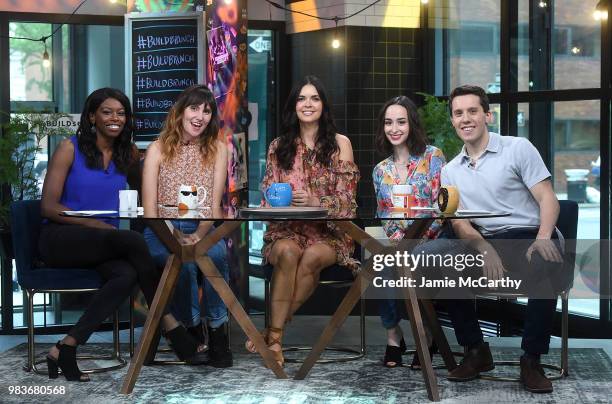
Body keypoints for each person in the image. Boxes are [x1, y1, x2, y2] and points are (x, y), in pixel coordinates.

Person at [39, 88, 207, 382]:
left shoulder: (127, 154)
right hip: (61, 238)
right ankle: (169, 323)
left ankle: (66, 346)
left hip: (105, 245)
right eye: (107, 111)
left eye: (121, 113)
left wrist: (177, 229)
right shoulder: (69, 148)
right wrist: (97, 226)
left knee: (127, 274)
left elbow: (147, 202)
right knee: (132, 241)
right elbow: (49, 207)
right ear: (92, 116)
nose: (115, 118)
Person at [436, 85, 563, 393]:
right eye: (458, 113)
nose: (465, 119)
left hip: (530, 233)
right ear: (453, 120)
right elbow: (461, 224)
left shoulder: (517, 148)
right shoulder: (450, 171)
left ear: (487, 115)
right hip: (487, 239)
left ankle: (531, 360)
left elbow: (548, 199)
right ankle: (476, 351)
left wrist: (544, 237)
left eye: (472, 111)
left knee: (542, 262)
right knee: (447, 265)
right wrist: (483, 248)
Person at [245, 75, 360, 367]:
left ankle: (272, 335)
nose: (307, 104)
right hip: (287, 229)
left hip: (331, 233)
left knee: (309, 257)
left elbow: (348, 203)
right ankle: (275, 338)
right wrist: (276, 200)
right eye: (301, 99)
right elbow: (267, 198)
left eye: (314, 98)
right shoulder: (278, 146)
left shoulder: (339, 144)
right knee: (288, 251)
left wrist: (315, 202)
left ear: (323, 104)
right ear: (293, 105)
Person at [142, 84, 232, 368]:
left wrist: (199, 235)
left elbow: (215, 208)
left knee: (216, 255)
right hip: (162, 228)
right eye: (194, 108)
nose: (200, 116)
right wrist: (175, 236)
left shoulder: (218, 149)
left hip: (201, 226)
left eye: (207, 111)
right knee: (183, 261)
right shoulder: (157, 148)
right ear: (180, 112)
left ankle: (218, 332)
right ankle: (192, 331)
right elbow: (150, 210)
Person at [372, 95, 445, 368]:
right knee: (381, 264)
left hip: (433, 238)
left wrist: (417, 241)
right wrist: (400, 243)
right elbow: (384, 214)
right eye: (388, 123)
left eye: (401, 122)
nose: (394, 128)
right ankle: (394, 335)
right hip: (400, 241)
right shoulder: (381, 170)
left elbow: (442, 206)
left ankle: (426, 336)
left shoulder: (433, 157)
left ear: (412, 124)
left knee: (417, 259)